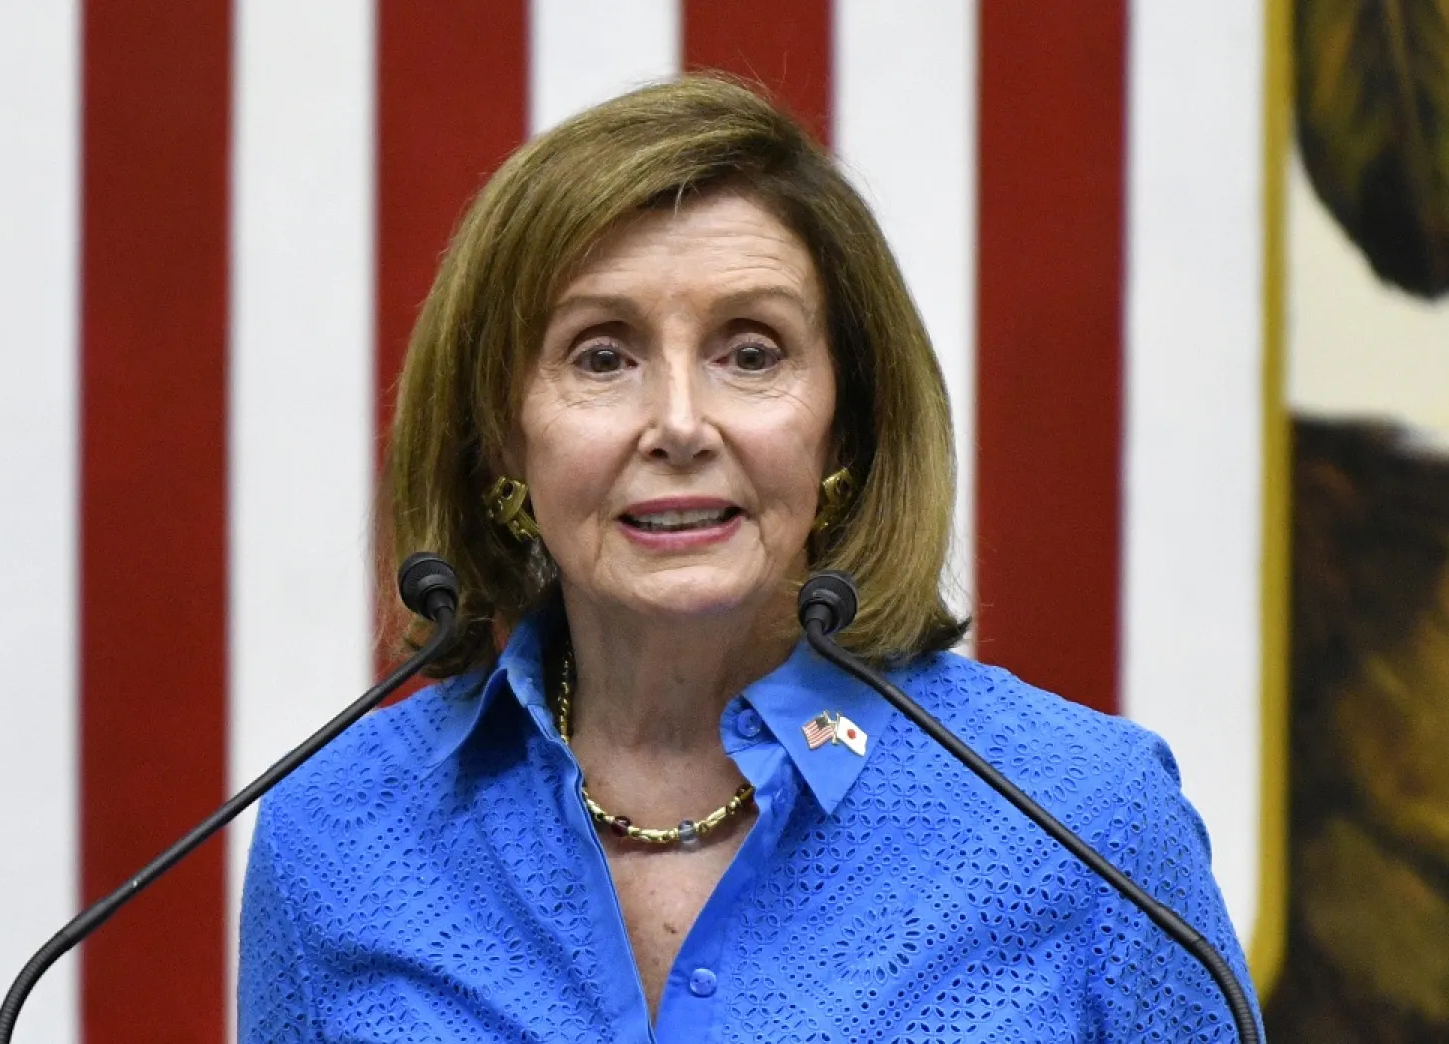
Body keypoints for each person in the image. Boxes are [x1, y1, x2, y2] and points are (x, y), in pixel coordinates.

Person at [238, 76, 1261, 1042]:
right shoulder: (334, 836)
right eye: (602, 355)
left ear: (845, 425)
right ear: (500, 437)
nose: (679, 423)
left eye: (751, 352)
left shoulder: (1087, 820)